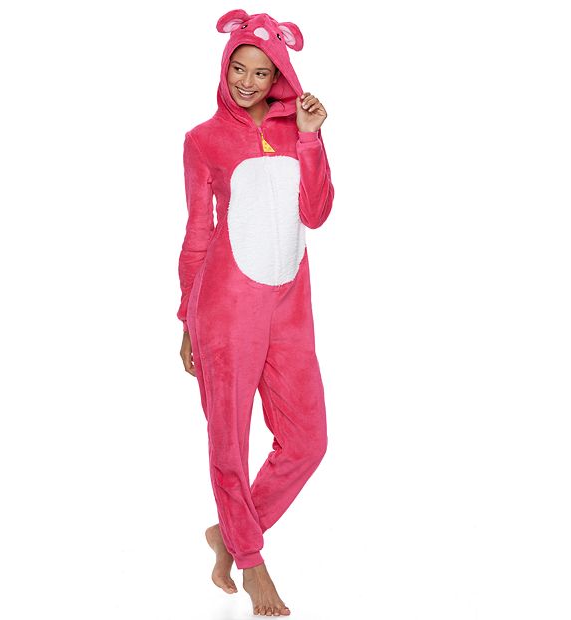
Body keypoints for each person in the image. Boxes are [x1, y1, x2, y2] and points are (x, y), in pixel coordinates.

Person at [177, 9, 335, 617]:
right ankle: (251, 561)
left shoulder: (299, 128)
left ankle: (229, 531)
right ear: (225, 67)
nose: (246, 81)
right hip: (223, 304)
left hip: (291, 303)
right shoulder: (203, 140)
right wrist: (185, 319)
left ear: (279, 75)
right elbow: (198, 233)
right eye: (238, 68)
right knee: (229, 438)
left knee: (307, 441)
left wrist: (312, 137)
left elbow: (316, 212)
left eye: (261, 72)